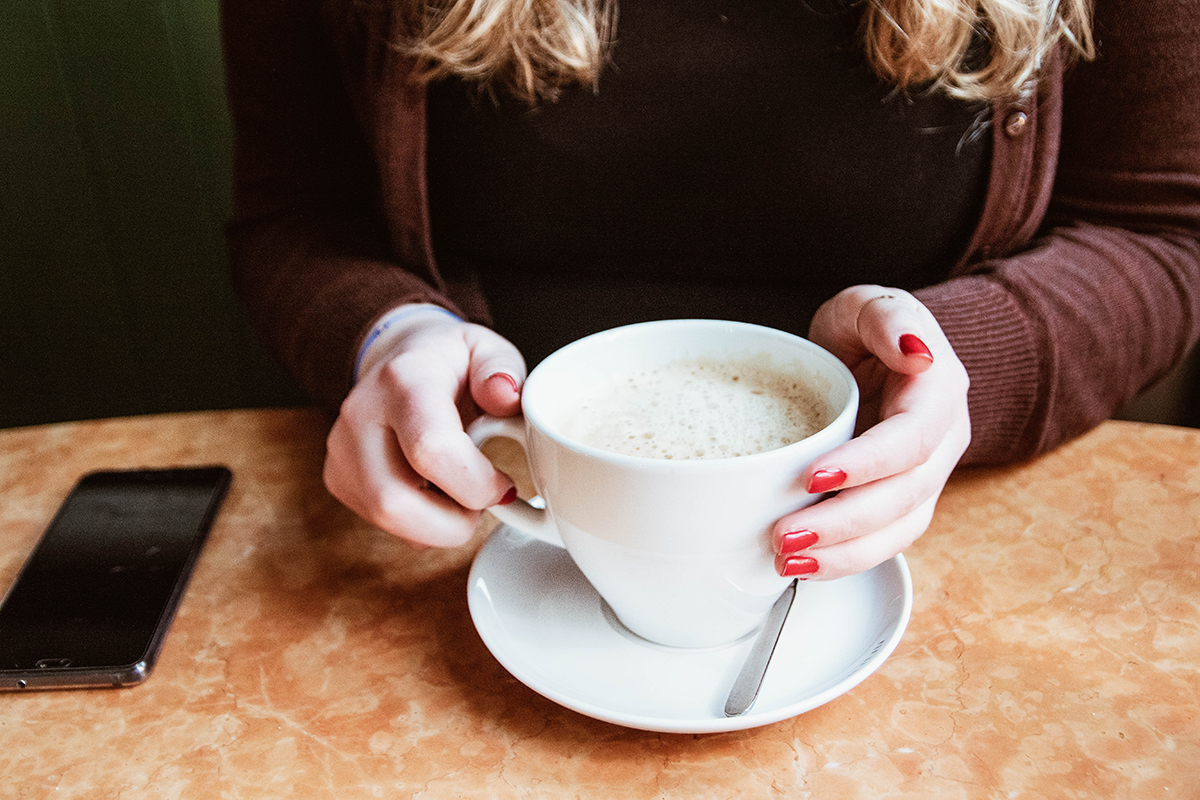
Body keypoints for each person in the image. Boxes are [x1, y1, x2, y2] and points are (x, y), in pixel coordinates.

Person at [221, 0, 1200, 581]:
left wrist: (965, 362)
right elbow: (299, 212)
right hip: (469, 524)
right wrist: (387, 333)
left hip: (920, 527)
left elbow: (1160, 231)